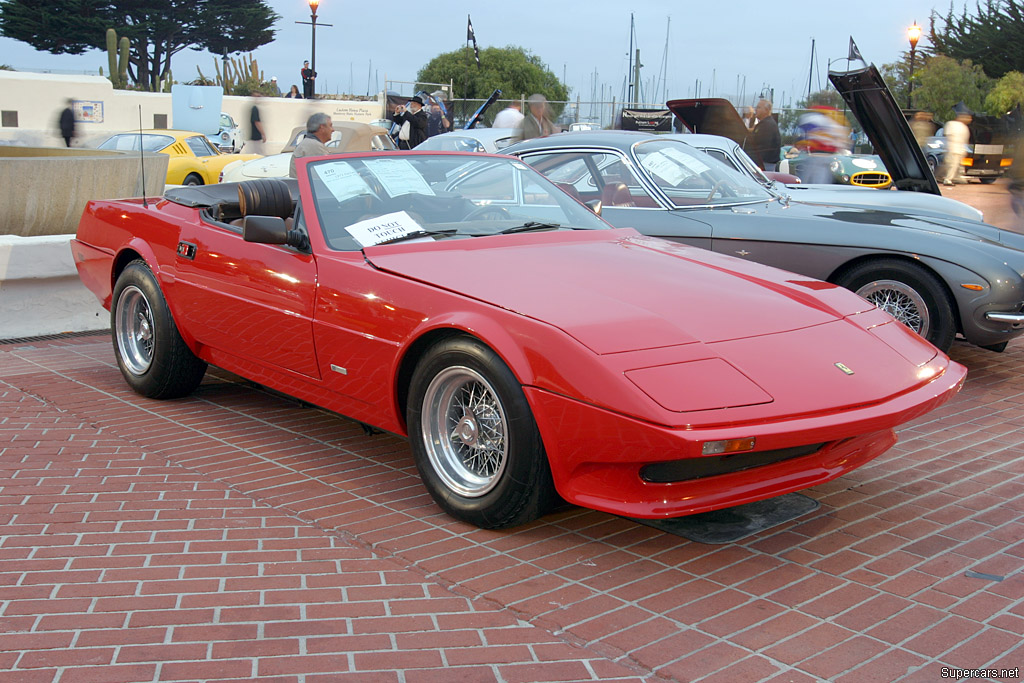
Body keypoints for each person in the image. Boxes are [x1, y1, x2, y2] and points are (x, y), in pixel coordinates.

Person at [289, 113, 333, 178]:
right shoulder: (314, 146)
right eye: (330, 126)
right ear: (322, 127)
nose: (333, 130)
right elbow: (327, 176)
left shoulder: (309, 143)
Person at [748, 99, 781, 171]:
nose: (755, 110)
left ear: (766, 110)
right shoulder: (764, 124)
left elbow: (760, 146)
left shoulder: (767, 125)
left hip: (765, 165)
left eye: (758, 107)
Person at [941, 112, 972, 186]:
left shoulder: (964, 127)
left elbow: (965, 140)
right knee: (952, 165)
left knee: (957, 166)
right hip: (953, 148)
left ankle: (957, 178)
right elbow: (948, 136)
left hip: (959, 149)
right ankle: (947, 179)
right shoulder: (951, 124)